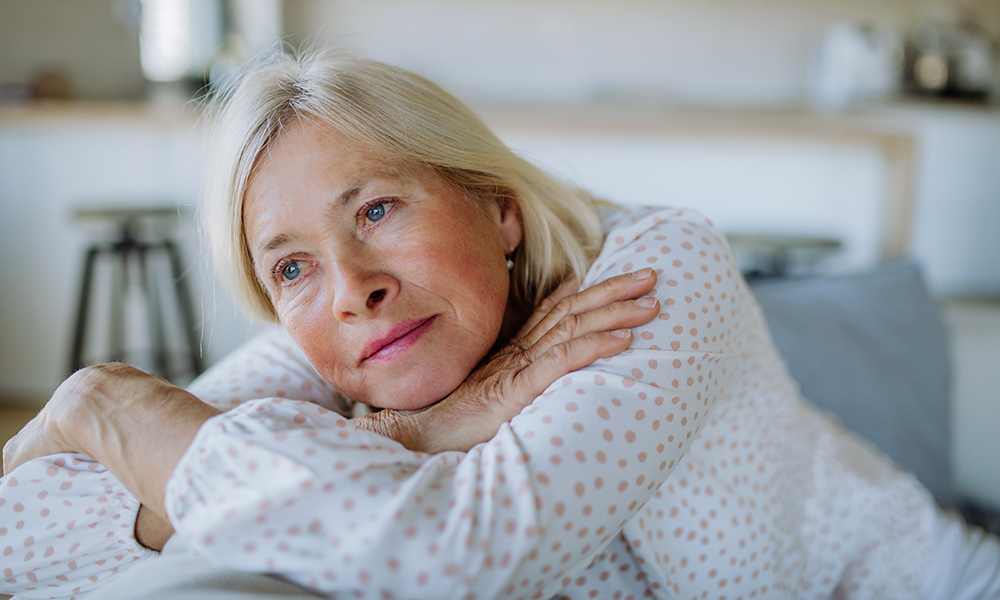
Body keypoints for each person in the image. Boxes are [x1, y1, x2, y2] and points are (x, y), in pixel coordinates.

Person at [3, 47, 999, 600]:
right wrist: (411, 431)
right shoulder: (339, 342)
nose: (350, 287)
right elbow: (21, 537)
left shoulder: (657, 270)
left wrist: (114, 408)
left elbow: (462, 556)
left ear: (498, 208)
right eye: (292, 265)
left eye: (378, 210)